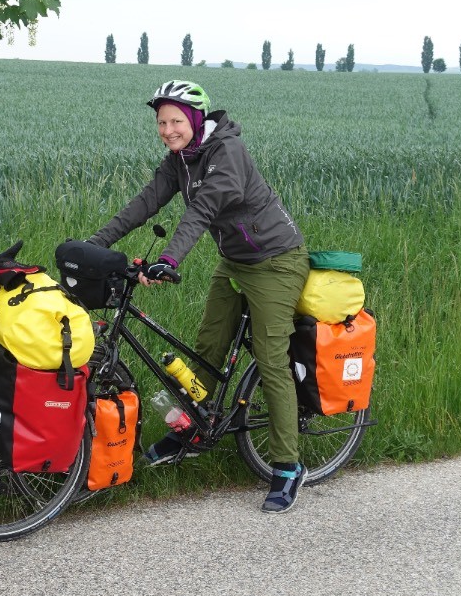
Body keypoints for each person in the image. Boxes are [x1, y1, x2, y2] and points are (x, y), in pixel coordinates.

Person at [88, 80, 310, 514]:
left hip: (277, 261)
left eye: (175, 121)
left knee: (270, 357)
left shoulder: (227, 153)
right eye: (161, 122)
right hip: (235, 262)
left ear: (194, 119)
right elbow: (146, 202)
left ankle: (287, 465)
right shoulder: (181, 159)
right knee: (208, 348)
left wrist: (169, 258)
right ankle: (192, 428)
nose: (167, 130)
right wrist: (94, 244)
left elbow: (203, 208)